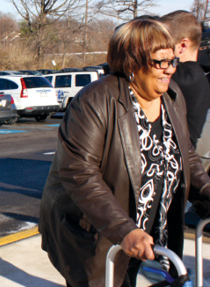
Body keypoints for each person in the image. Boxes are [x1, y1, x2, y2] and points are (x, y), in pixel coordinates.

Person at [39, 18, 210, 287]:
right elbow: (79, 174)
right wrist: (124, 229)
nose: (170, 70)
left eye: (173, 61)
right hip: (97, 238)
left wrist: (207, 195)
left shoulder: (172, 96)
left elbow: (185, 155)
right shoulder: (95, 100)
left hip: (151, 235)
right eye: (160, 62)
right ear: (132, 62)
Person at [160, 10, 210, 148]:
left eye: (164, 41)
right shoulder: (198, 75)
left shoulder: (185, 78)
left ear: (182, 45)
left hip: (174, 160)